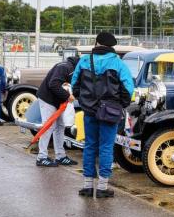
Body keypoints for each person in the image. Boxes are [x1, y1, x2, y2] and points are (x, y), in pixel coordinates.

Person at [72, 32, 134, 198]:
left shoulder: (85, 60)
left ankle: (87, 186)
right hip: (110, 112)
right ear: (111, 46)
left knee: (90, 145)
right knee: (106, 147)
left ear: (97, 43)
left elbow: (74, 85)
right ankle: (102, 187)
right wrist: (120, 104)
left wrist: (84, 101)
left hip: (89, 111)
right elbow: (128, 88)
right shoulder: (117, 63)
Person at [35, 57, 79, 167]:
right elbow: (53, 84)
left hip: (57, 100)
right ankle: (41, 157)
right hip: (48, 99)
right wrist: (68, 96)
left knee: (60, 126)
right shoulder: (65, 67)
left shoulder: (70, 67)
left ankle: (60, 156)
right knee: (49, 126)